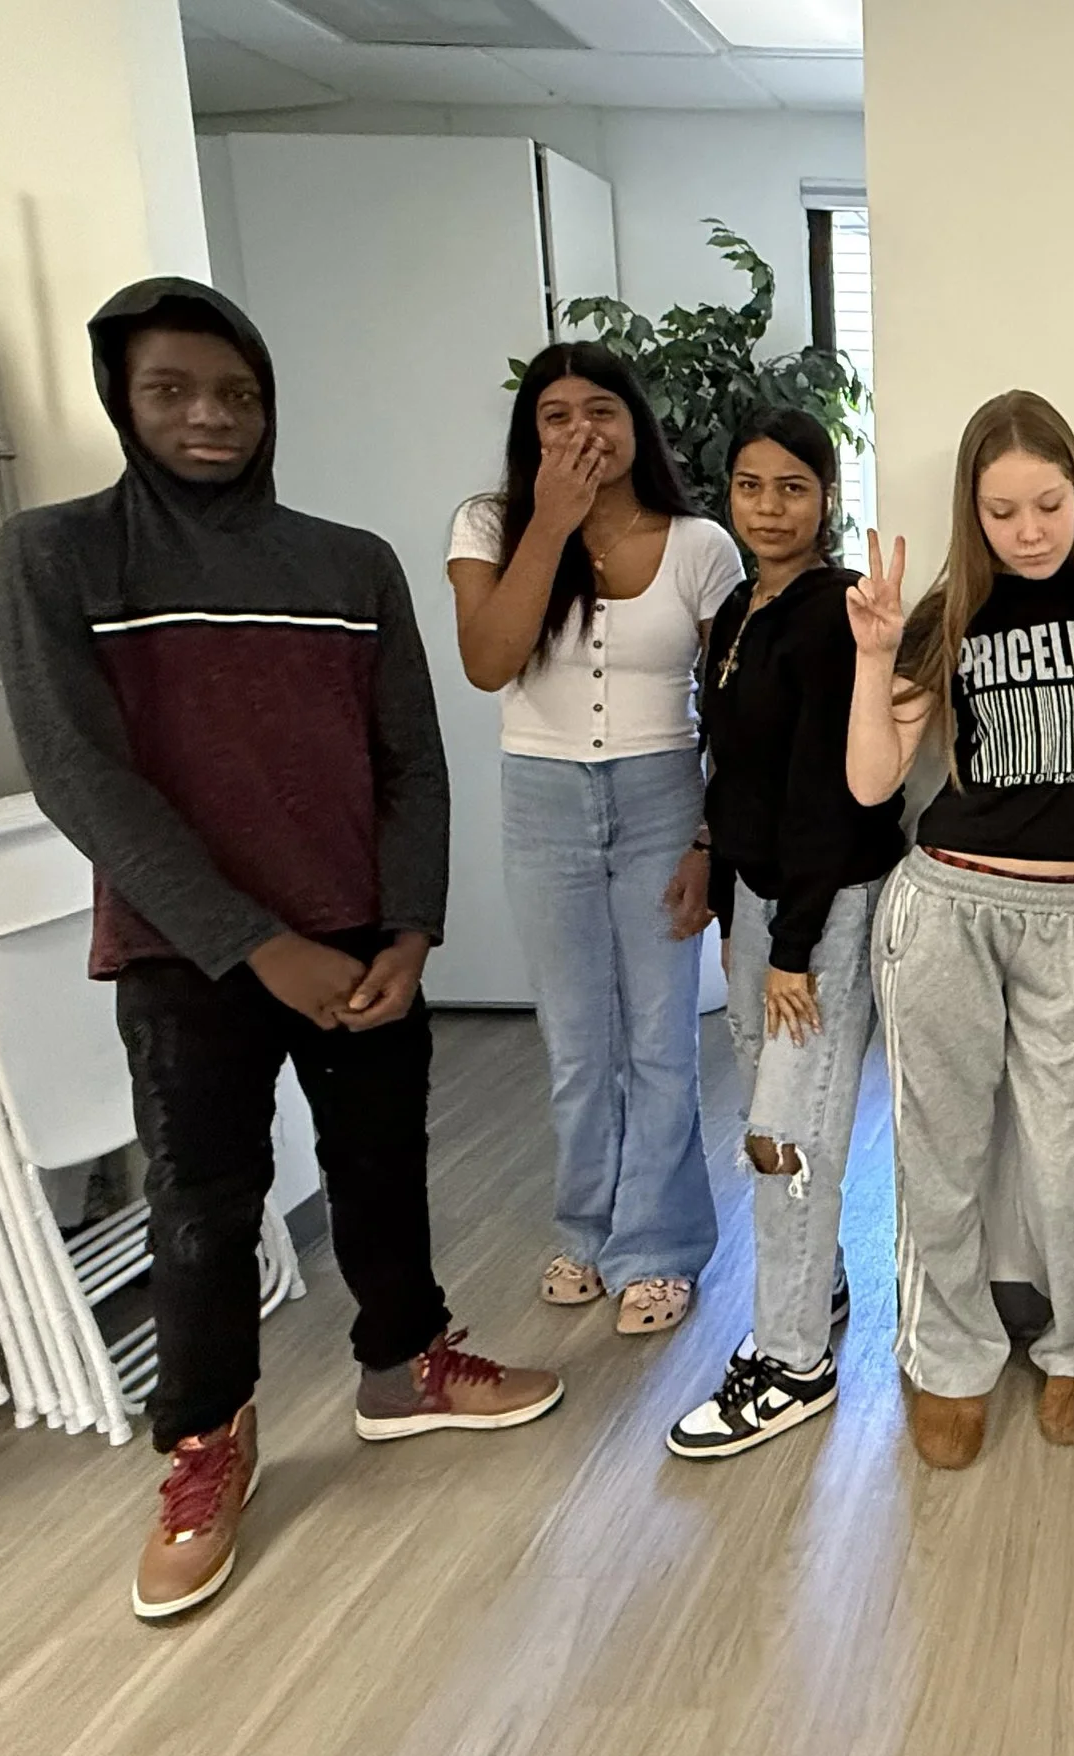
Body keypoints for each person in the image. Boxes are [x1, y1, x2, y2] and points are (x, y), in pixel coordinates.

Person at [0, 278, 561, 1622]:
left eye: (237, 393)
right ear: (121, 400)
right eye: (174, 391)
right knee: (201, 1202)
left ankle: (405, 1362)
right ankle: (206, 1446)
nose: (210, 417)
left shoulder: (348, 564)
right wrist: (252, 943)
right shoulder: (58, 555)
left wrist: (414, 928)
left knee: (378, 1167)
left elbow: (410, 763)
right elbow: (81, 777)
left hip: (363, 936)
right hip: (189, 950)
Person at [846, 389, 1074, 1470]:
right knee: (943, 1155)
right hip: (946, 908)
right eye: (1003, 511)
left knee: (1066, 1163)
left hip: (1069, 914)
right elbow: (874, 778)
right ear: (974, 510)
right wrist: (875, 657)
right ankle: (948, 1355)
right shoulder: (945, 610)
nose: (1027, 531)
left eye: (1047, 505)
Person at [447, 344, 744, 1336]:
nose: (583, 433)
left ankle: (657, 1246)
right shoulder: (490, 525)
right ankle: (585, 1224)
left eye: (602, 411)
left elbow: (732, 714)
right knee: (577, 1044)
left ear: (637, 423)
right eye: (557, 417)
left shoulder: (702, 544)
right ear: (529, 438)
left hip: (664, 793)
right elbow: (490, 661)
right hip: (542, 797)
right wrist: (550, 526)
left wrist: (709, 834)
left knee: (661, 1042)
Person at [664, 411, 905, 1459]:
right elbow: (734, 773)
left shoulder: (830, 614)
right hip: (758, 900)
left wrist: (797, 948)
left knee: (782, 1136)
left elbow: (833, 799)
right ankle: (822, 1283)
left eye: (792, 488)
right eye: (751, 486)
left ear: (827, 497)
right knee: (774, 1106)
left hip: (824, 902)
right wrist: (731, 910)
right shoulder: (733, 607)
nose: (769, 507)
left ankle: (792, 1359)